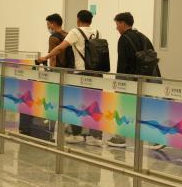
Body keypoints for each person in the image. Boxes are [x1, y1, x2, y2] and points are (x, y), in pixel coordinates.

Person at [38, 10, 104, 146]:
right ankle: (96, 137)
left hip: (81, 74)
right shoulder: (97, 32)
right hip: (97, 74)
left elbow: (60, 48)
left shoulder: (75, 32)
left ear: (78, 20)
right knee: (95, 104)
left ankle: (76, 134)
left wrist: (45, 57)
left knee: (76, 103)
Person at [113, 12, 162, 149]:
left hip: (131, 80)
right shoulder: (143, 37)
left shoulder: (124, 39)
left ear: (123, 23)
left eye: (117, 24)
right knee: (148, 107)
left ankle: (120, 138)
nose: (116, 28)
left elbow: (123, 63)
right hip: (149, 78)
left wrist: (119, 83)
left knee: (124, 106)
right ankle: (157, 139)